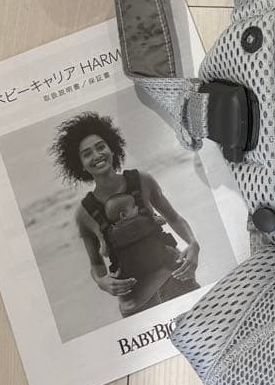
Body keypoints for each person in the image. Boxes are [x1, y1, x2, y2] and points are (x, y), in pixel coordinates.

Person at [49, 111, 200, 318]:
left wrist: (193, 244)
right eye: (87, 153)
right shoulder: (84, 214)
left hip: (176, 279)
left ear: (112, 148)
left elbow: (174, 218)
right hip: (135, 304)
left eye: (100, 147)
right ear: (80, 164)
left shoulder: (143, 180)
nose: (97, 155)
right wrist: (102, 282)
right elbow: (96, 264)